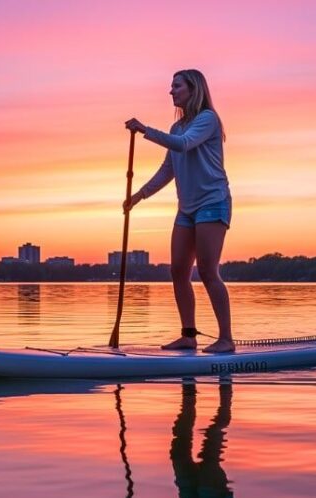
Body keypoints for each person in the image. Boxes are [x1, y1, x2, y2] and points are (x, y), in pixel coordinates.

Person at [124, 69, 235, 353]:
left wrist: (145, 130)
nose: (171, 91)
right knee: (178, 271)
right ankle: (188, 335)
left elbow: (185, 145)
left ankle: (226, 339)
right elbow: (168, 169)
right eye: (171, 86)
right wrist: (138, 196)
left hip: (213, 202)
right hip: (186, 209)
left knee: (208, 271)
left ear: (192, 89)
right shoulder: (175, 128)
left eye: (176, 86)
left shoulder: (207, 119)